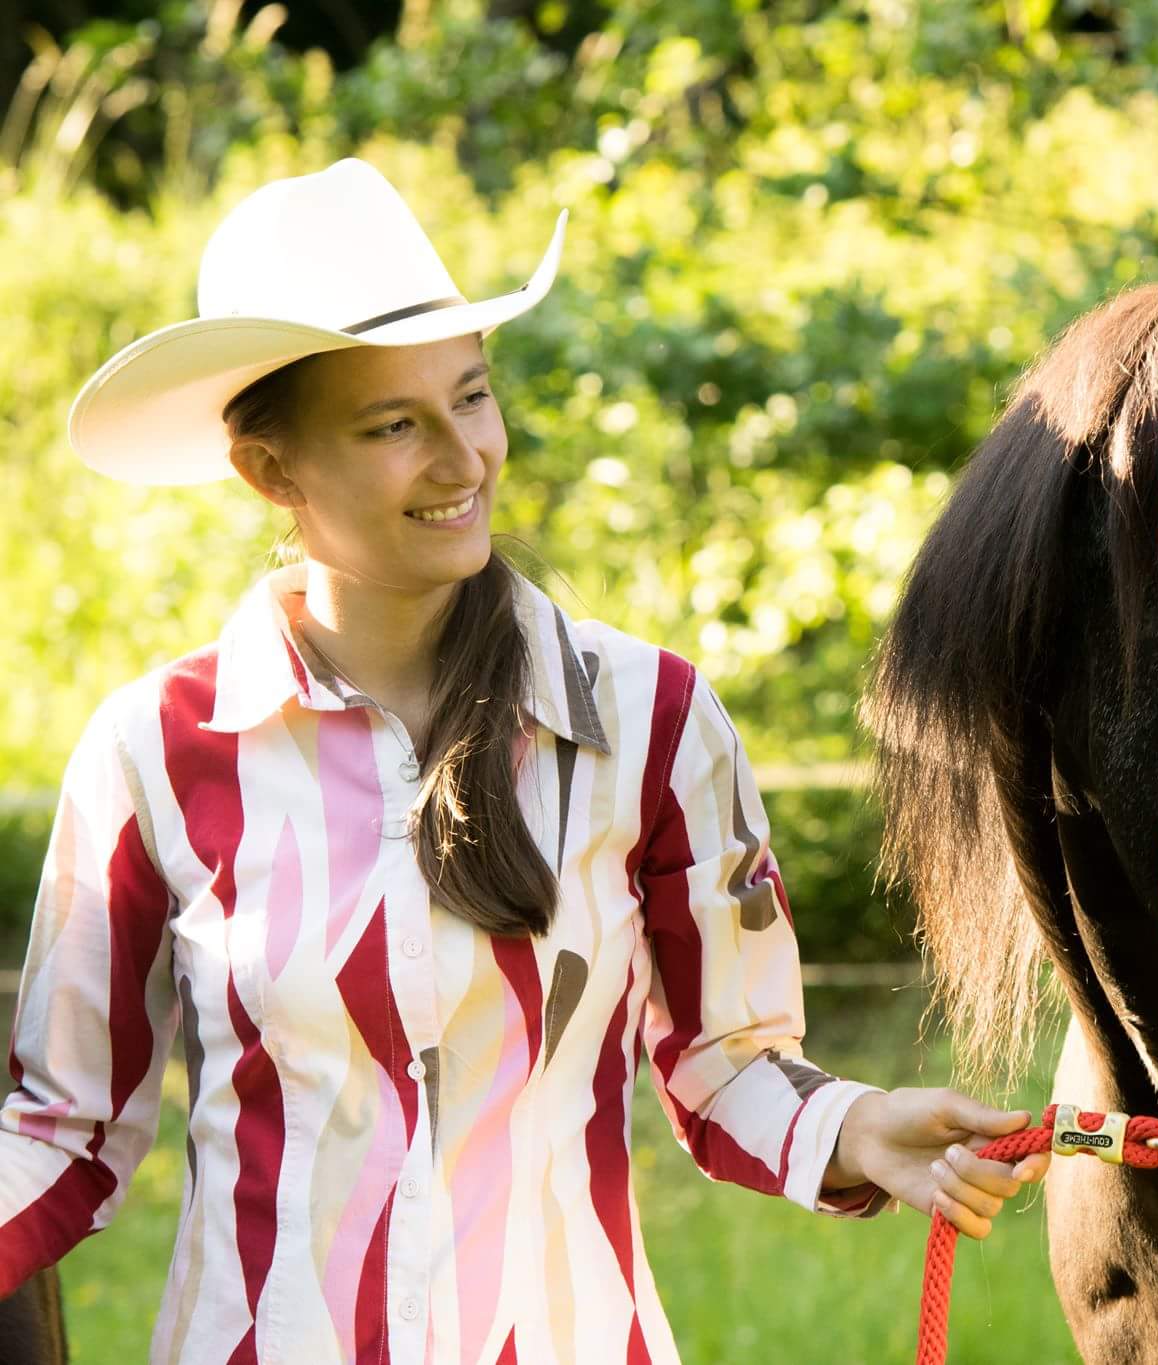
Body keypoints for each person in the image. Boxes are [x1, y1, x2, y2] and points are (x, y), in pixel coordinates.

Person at [0, 158, 1051, 1363]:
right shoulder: (152, 750)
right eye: (394, 426)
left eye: (472, 397)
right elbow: (67, 1130)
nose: (463, 459)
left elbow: (725, 1068)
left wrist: (855, 1128)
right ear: (271, 471)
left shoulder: (653, 721)